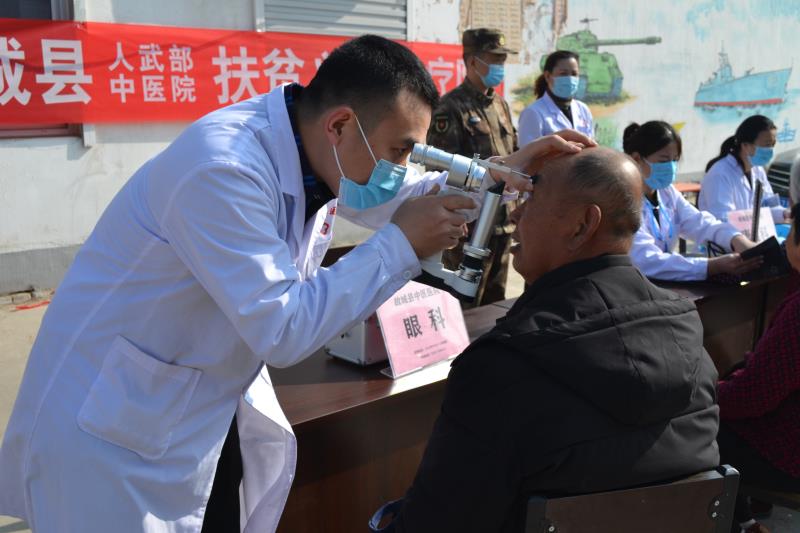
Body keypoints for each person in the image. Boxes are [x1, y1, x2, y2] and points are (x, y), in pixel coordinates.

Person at [0, 34, 590, 533]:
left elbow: (402, 196)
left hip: (187, 406)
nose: (402, 168)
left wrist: (496, 177)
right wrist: (401, 245)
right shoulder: (223, 169)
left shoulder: (318, 151)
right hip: (109, 429)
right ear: (341, 125)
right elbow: (283, 328)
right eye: (398, 150)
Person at [372, 147, 720, 532]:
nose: (515, 214)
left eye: (530, 199)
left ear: (582, 225)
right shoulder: (688, 337)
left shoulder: (502, 368)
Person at [717, 203, 800, 533]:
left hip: (791, 457)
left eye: (790, 235)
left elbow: (751, 397)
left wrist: (708, 394)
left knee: (697, 428)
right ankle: (746, 520)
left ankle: (735, 523)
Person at [426, 28, 518, 305]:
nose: (500, 65)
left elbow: (511, 155)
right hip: (471, 226)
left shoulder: (500, 105)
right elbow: (442, 169)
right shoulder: (450, 108)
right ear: (472, 61)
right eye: (494, 59)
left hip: (502, 223)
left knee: (495, 304)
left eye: (503, 60)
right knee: (463, 305)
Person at [624, 121, 761, 281]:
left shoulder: (667, 192)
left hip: (661, 282)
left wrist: (735, 239)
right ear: (637, 159)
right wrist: (711, 266)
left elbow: (699, 221)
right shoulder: (623, 201)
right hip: (633, 285)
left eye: (675, 160)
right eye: (663, 161)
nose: (670, 167)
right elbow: (647, 261)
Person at [700, 115, 790, 226]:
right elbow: (723, 219)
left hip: (753, 232)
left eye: (773, 144)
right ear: (745, 145)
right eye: (767, 145)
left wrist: (785, 213)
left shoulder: (758, 170)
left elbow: (767, 207)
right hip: (725, 236)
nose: (770, 150)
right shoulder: (720, 174)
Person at [518, 50, 594, 145]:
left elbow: (592, 144)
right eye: (563, 74)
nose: (570, 79)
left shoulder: (583, 109)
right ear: (548, 76)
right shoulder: (533, 113)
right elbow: (527, 151)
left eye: (574, 74)